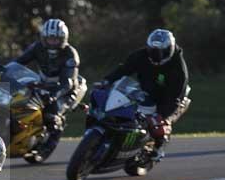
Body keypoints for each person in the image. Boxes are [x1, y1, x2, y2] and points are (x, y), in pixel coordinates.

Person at [99, 29, 190, 160]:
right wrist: (107, 80)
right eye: (152, 51)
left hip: (169, 99)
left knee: (159, 124)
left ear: (169, 50)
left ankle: (159, 147)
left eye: (160, 53)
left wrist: (163, 116)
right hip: (146, 91)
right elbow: (124, 68)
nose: (156, 56)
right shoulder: (141, 55)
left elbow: (175, 99)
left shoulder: (178, 69)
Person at [14, 18, 87, 160]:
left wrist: (54, 95)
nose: (52, 42)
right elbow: (20, 61)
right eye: (49, 39)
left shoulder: (70, 54)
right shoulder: (38, 47)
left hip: (66, 89)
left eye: (56, 39)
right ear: (44, 38)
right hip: (44, 84)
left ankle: (47, 147)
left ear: (63, 39)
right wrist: (4, 69)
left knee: (52, 114)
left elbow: (67, 83)